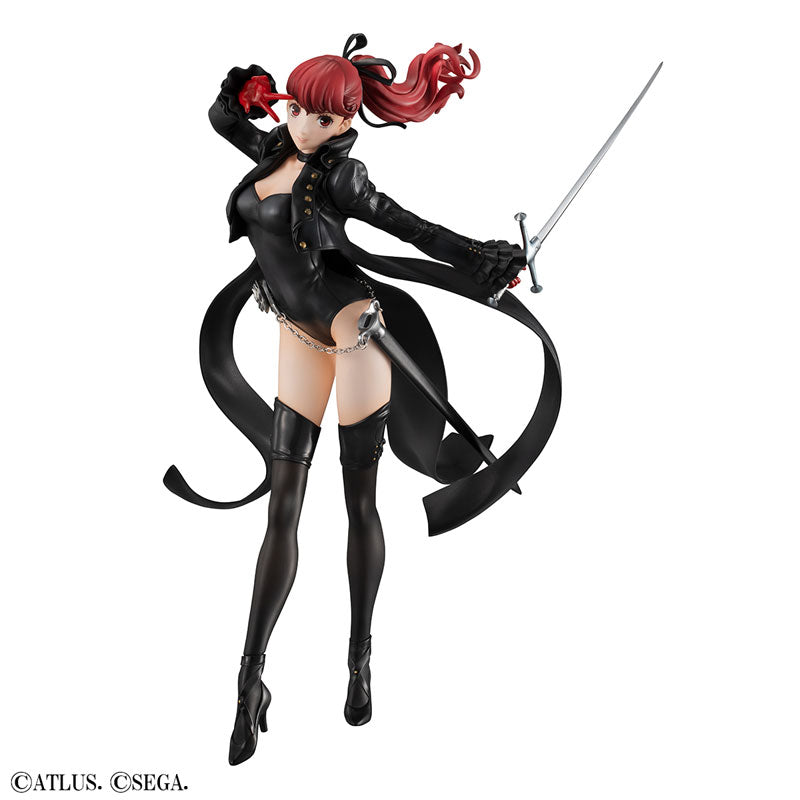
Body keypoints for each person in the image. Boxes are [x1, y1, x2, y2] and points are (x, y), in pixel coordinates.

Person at [164, 34, 562, 765]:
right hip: (296, 332)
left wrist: (483, 258)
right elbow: (222, 119)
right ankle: (250, 682)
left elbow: (411, 227)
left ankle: (359, 659)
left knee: (357, 503)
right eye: (293, 107)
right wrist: (243, 86)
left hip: (354, 330)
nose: (299, 123)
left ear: (344, 122)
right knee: (283, 507)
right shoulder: (272, 148)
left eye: (317, 116)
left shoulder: (342, 178)